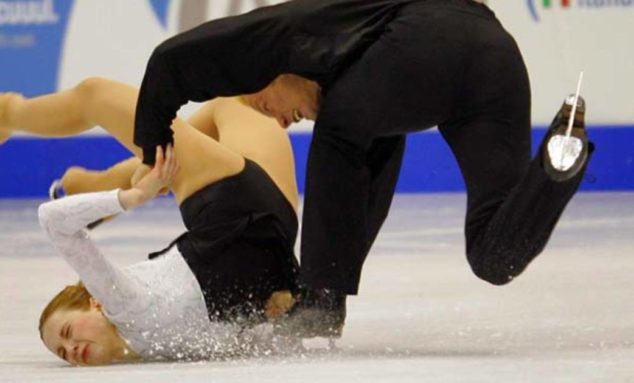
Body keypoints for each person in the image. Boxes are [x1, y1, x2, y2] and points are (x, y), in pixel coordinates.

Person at [131, 0, 593, 338]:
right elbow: (360, 202)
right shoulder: (370, 111)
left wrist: (153, 146)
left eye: (264, 103)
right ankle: (557, 167)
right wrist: (320, 281)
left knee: (338, 133)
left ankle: (321, 304)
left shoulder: (288, 34)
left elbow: (171, 58)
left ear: (271, 70)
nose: (277, 120)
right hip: (496, 61)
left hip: (436, 26)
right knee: (496, 258)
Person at [0, 61, 301, 365]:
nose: (71, 351)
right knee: (237, 105)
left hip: (234, 206)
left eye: (67, 334)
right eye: (62, 353)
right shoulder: (152, 351)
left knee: (96, 95)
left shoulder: (118, 301)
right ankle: (105, 182)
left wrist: (130, 199)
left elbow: (54, 221)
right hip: (275, 235)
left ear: (95, 302)